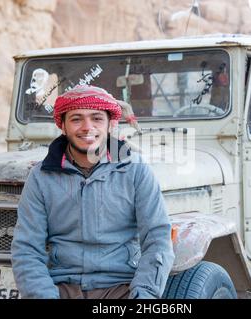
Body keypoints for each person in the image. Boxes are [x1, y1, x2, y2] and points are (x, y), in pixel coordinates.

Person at [11, 85, 175, 299]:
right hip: (61, 288)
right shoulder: (41, 177)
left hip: (122, 286)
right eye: (76, 119)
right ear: (63, 126)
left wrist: (144, 295)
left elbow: (157, 239)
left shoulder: (135, 169)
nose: (87, 127)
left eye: (96, 118)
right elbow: (27, 248)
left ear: (110, 124)